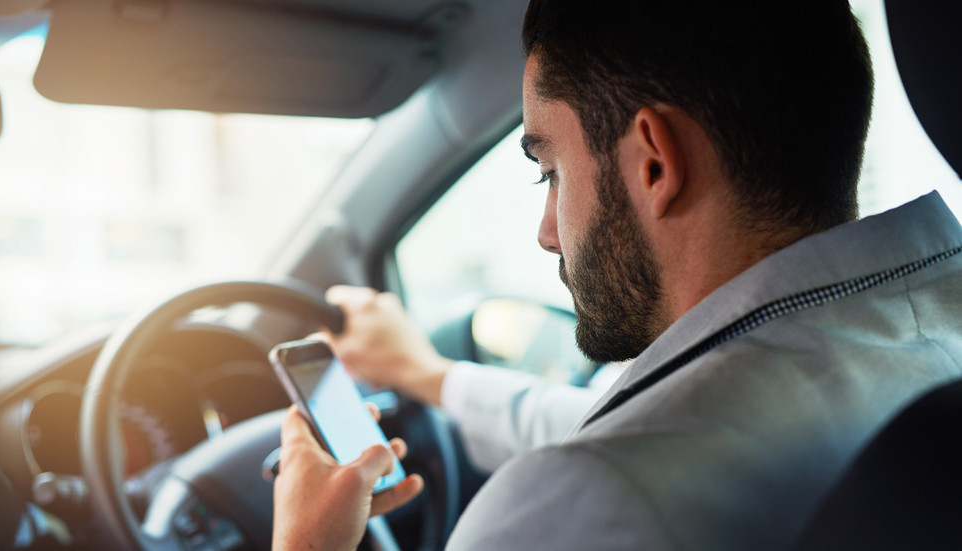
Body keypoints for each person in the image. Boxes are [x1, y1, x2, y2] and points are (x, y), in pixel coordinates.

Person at [273, 0, 962, 549]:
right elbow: (637, 417)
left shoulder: (575, 505)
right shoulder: (931, 328)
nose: (546, 232)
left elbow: (627, 448)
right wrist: (427, 375)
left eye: (551, 172)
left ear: (654, 164)